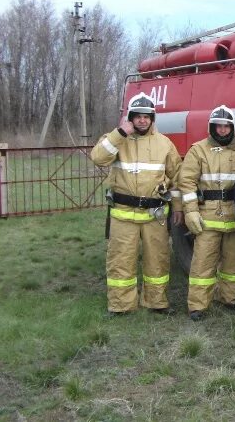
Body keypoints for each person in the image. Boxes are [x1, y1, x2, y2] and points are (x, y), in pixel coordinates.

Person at [90, 92, 183, 316]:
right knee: (120, 260)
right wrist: (121, 133)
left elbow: (178, 177)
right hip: (123, 214)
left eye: (147, 116)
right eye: (137, 116)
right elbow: (98, 158)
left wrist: (178, 207)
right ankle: (121, 306)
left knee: (158, 261)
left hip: (155, 215)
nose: (142, 120)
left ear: (152, 119)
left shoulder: (164, 143)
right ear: (130, 118)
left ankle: (156, 302)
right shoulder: (117, 138)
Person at [179, 105, 235, 321]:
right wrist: (190, 212)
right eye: (218, 126)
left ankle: (229, 298)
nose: (222, 130)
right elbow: (187, 181)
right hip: (207, 215)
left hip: (234, 215)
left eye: (226, 126)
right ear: (212, 127)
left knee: (233, 263)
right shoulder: (198, 150)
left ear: (232, 127)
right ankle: (198, 305)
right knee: (203, 262)